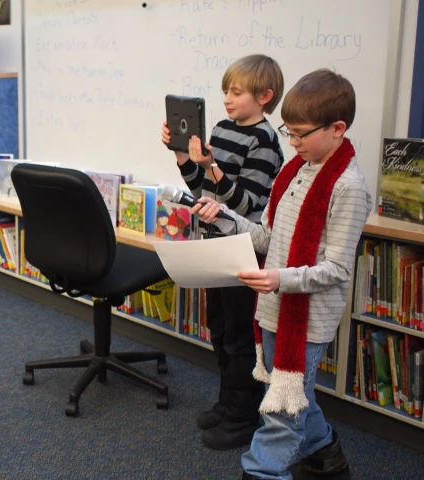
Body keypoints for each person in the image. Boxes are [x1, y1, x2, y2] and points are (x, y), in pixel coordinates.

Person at [192, 69, 370, 480]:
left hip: (306, 318)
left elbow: (339, 269)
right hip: (273, 306)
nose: (292, 143)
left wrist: (279, 279)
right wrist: (226, 217)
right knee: (296, 394)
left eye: (301, 134)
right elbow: (267, 236)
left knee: (281, 412)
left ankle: (261, 472)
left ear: (337, 128)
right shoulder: (293, 172)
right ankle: (327, 457)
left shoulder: (348, 187)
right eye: (288, 133)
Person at [162, 54, 285, 450]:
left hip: (242, 247)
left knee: (238, 334)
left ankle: (243, 414)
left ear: (264, 96)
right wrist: (183, 156)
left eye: (236, 92)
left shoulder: (264, 140)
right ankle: (226, 401)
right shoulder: (220, 128)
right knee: (218, 327)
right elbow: (203, 191)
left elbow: (247, 204)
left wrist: (214, 168)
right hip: (213, 242)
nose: (228, 99)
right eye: (225, 92)